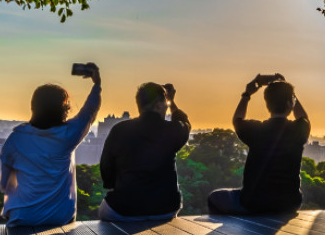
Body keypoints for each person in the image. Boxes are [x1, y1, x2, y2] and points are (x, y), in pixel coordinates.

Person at [0, 63, 101, 227]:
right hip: (60, 218)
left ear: (33, 107)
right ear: (64, 110)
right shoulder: (67, 136)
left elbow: (4, 184)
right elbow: (89, 112)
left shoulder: (15, 139)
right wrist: (97, 85)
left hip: (22, 217)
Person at [207, 74, 310, 214]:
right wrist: (290, 94)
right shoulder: (299, 129)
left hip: (255, 202)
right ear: (289, 104)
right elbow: (303, 117)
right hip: (290, 203)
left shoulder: (256, 130)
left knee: (215, 197)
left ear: (267, 104)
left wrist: (247, 94)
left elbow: (237, 119)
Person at [98, 82, 191, 221]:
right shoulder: (172, 131)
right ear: (159, 105)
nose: (166, 106)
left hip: (124, 210)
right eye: (165, 103)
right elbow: (185, 123)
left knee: (104, 209)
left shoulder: (119, 130)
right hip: (164, 209)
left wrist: (114, 186)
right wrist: (172, 101)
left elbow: (106, 167)